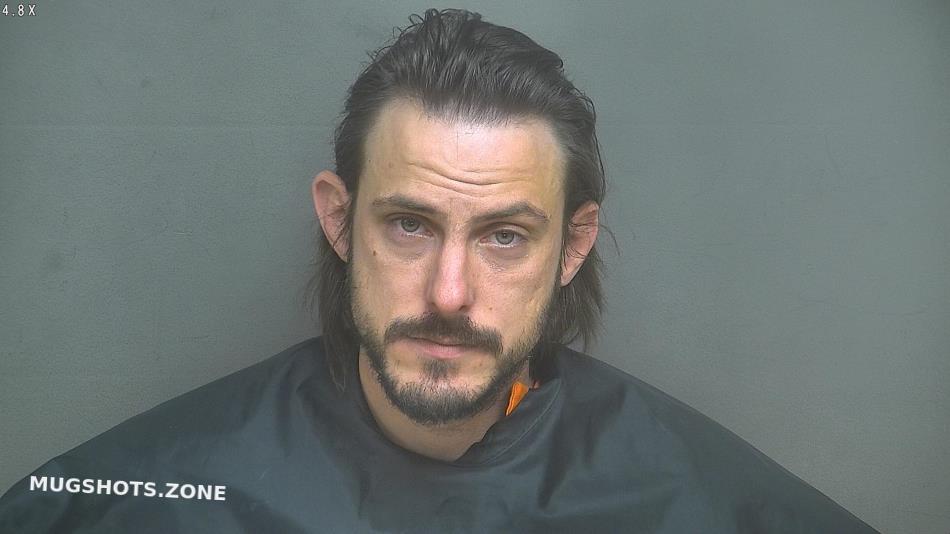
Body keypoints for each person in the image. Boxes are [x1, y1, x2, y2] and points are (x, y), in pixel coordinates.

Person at [0, 8, 877, 533]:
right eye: (411, 225)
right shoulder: (135, 496)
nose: (448, 293)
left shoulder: (704, 501)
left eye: (504, 237)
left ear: (572, 247)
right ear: (340, 222)